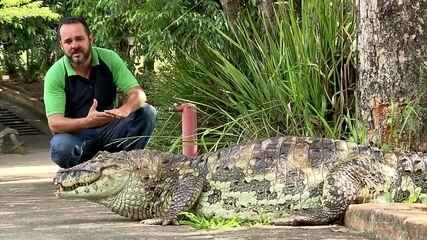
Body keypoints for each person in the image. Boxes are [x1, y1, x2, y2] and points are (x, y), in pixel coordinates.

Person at [43, 16, 156, 169]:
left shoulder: (109, 58)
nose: (74, 45)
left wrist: (124, 110)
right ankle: (79, 173)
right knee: (60, 147)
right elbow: (55, 123)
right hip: (76, 137)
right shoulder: (55, 74)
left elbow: (139, 94)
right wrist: (87, 122)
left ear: (90, 38)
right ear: (61, 45)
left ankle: (125, 167)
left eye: (79, 39)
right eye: (68, 41)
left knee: (147, 112)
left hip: (111, 131)